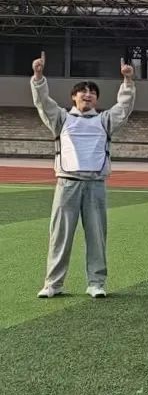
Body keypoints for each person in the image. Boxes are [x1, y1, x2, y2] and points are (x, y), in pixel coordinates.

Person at [32, 52, 136, 298]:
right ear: (74, 97)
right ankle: (53, 284)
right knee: (60, 236)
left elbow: (124, 108)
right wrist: (38, 77)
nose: (87, 95)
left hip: (95, 185)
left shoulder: (105, 120)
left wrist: (128, 81)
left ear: (97, 99)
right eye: (82, 92)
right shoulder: (61, 119)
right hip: (67, 184)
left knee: (97, 236)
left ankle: (96, 283)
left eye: (92, 93)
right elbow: (43, 103)